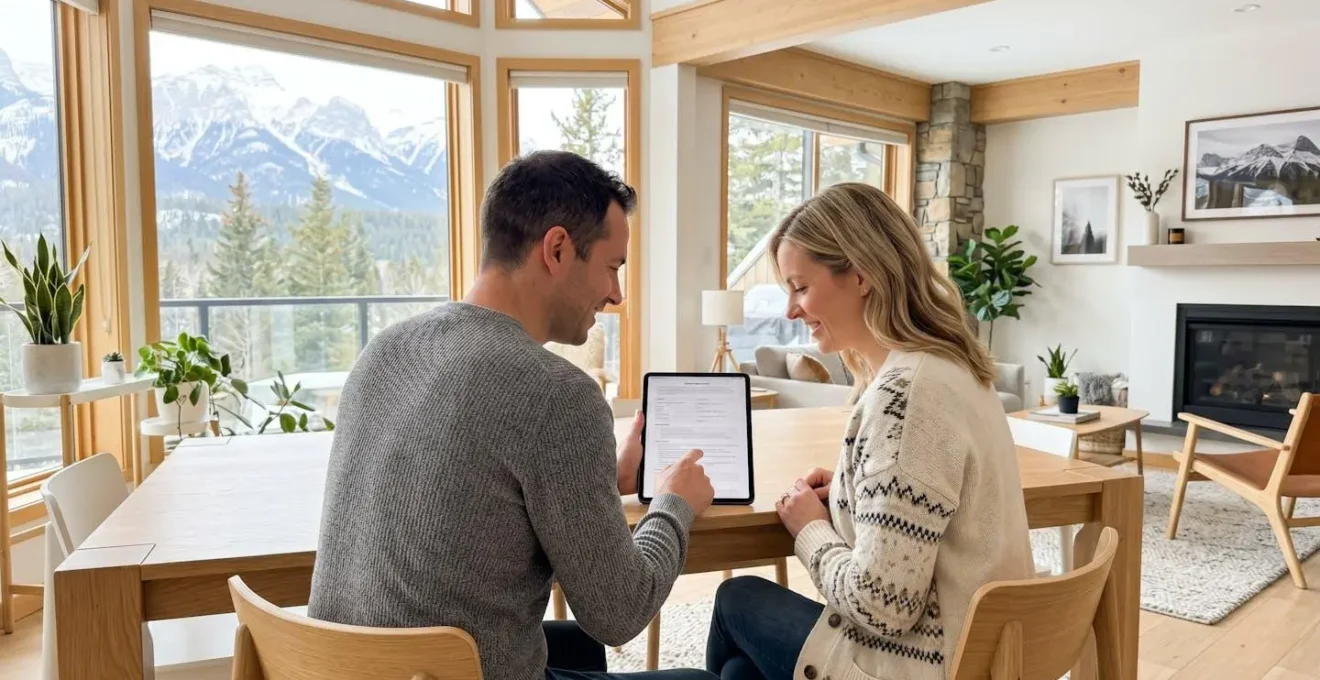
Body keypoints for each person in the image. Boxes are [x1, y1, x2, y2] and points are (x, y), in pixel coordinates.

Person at [307, 150, 718, 680]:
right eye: (612, 267)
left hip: (340, 666)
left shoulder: (384, 351)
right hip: (448, 674)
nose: (616, 294)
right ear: (557, 248)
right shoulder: (557, 394)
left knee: (575, 650)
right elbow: (619, 613)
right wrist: (674, 504)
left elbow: (472, 500)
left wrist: (604, 479)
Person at [705, 183, 1034, 680]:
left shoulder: (905, 398)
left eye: (800, 287)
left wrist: (809, 529)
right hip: (989, 651)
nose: (792, 310)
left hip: (932, 663)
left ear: (860, 274)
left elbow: (883, 605)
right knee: (738, 673)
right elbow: (919, 511)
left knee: (738, 599)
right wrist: (848, 491)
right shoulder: (955, 368)